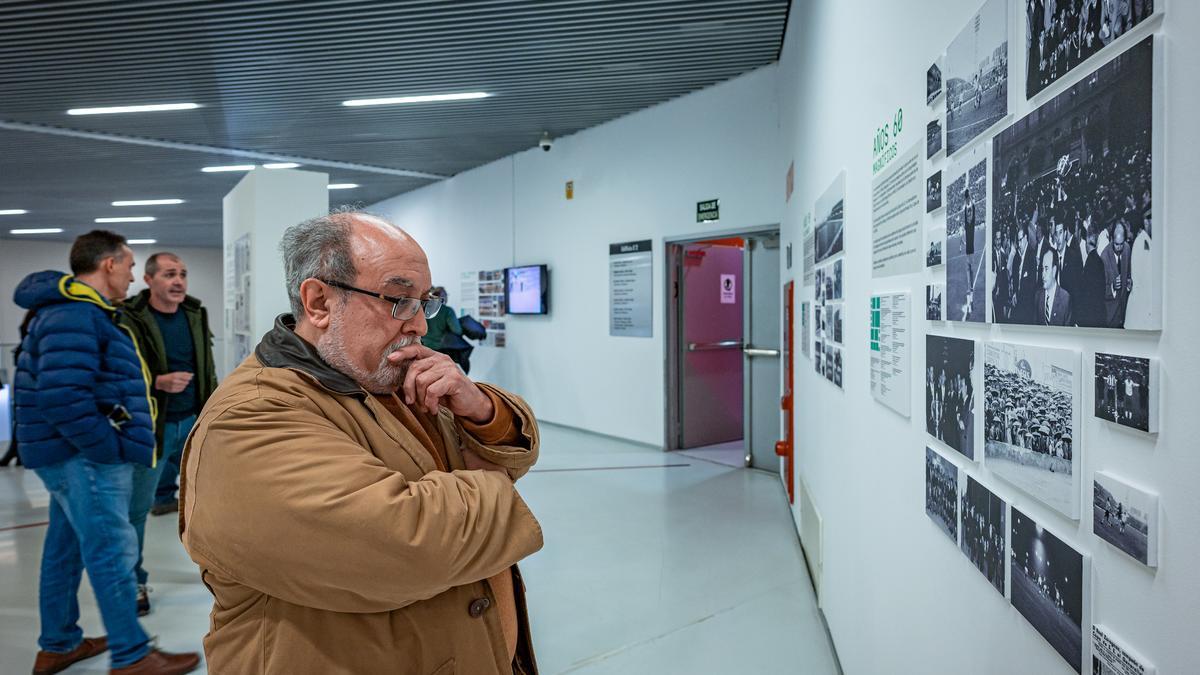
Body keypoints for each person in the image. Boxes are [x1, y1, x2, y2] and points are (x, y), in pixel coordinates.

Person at [179, 211, 544, 674]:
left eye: (423, 303)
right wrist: (493, 476)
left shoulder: (385, 376)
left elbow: (516, 444)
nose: (419, 327)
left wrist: (480, 410)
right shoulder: (251, 416)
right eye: (398, 300)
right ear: (318, 303)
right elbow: (408, 546)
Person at [13, 230, 200, 675]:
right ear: (110, 264)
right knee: (111, 550)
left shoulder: (83, 312)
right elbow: (62, 397)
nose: (133, 275)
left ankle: (59, 643)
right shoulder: (76, 315)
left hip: (70, 455)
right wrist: (108, 449)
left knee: (66, 549)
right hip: (83, 458)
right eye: (131, 265)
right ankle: (132, 655)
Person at [119, 252, 218, 615]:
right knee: (136, 511)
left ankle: (223, 571)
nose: (178, 281)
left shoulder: (195, 313)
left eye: (182, 274)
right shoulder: (128, 317)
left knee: (211, 502)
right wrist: (157, 382)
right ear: (148, 280)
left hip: (194, 422)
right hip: (153, 427)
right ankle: (133, 583)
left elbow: (206, 367)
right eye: (168, 274)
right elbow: (119, 373)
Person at [1101, 220, 1132, 327]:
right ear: (1111, 239)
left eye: (1121, 244)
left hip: (1124, 314)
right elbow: (1100, 290)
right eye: (1116, 244)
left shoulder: (1127, 249)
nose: (1119, 248)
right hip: (1110, 317)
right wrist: (1112, 287)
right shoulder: (1104, 257)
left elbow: (1128, 273)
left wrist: (1129, 281)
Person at [1037, 249, 1072, 326]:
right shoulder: (1038, 296)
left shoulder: (1065, 299)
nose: (1043, 275)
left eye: (1046, 269)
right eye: (1042, 269)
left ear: (1054, 270)